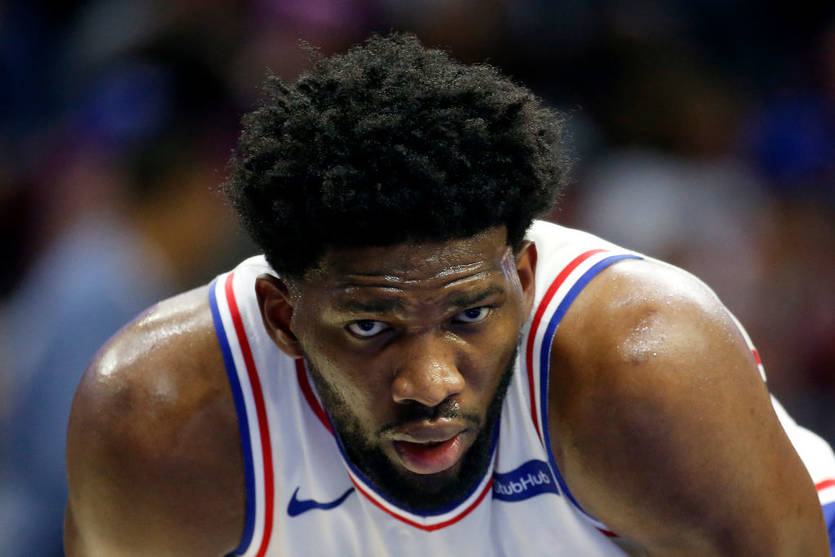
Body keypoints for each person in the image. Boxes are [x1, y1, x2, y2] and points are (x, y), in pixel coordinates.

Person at [64, 33, 835, 556]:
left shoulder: (643, 367)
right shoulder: (161, 418)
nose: (429, 382)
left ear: (522, 278)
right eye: (371, 327)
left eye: (468, 314)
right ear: (283, 317)